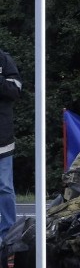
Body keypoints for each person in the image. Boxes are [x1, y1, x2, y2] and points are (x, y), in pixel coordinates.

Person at [0, 49, 22, 241]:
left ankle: (8, 235)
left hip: (2, 139)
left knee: (4, 186)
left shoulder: (4, 60)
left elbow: (15, 90)